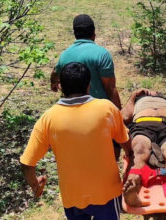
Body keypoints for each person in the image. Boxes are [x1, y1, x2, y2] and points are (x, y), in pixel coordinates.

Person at [20, 62, 131, 220]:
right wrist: (130, 168)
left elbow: (26, 164)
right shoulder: (107, 108)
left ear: (61, 87)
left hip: (72, 197)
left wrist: (35, 185)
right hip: (106, 193)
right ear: (89, 85)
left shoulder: (48, 118)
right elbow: (126, 144)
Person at [50, 14, 123, 160]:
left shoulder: (65, 55)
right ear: (94, 33)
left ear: (75, 33)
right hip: (100, 115)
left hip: (73, 115)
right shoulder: (102, 54)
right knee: (110, 153)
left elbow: (55, 72)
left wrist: (53, 83)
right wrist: (119, 113)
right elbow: (110, 88)